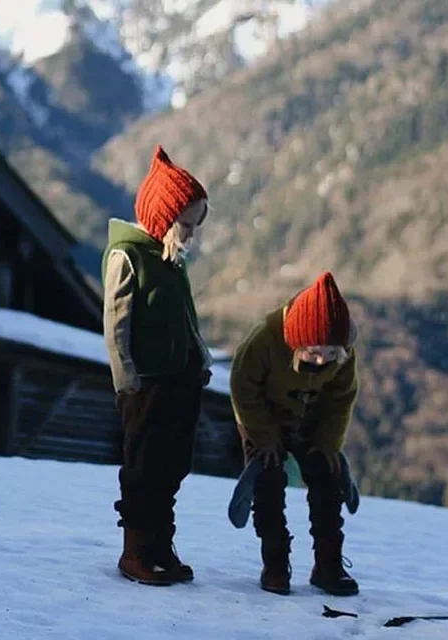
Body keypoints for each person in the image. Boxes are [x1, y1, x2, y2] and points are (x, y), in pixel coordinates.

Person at [101, 144, 212, 586]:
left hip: (180, 376)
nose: (191, 233)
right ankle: (135, 552)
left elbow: (186, 316)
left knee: (172, 466)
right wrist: (126, 381)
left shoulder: (171, 260)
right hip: (146, 382)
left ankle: (162, 546)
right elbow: (116, 325)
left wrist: (198, 357)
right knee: (143, 468)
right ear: (163, 217)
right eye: (186, 223)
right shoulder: (127, 257)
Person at [229, 271, 360, 596]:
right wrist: (263, 437)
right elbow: (243, 389)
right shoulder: (264, 341)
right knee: (268, 482)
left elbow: (341, 399)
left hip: (312, 425)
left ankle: (328, 565)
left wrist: (328, 443)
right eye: (314, 353)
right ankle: (275, 564)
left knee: (328, 481)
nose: (321, 360)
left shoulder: (343, 350)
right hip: (263, 421)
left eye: (330, 355)